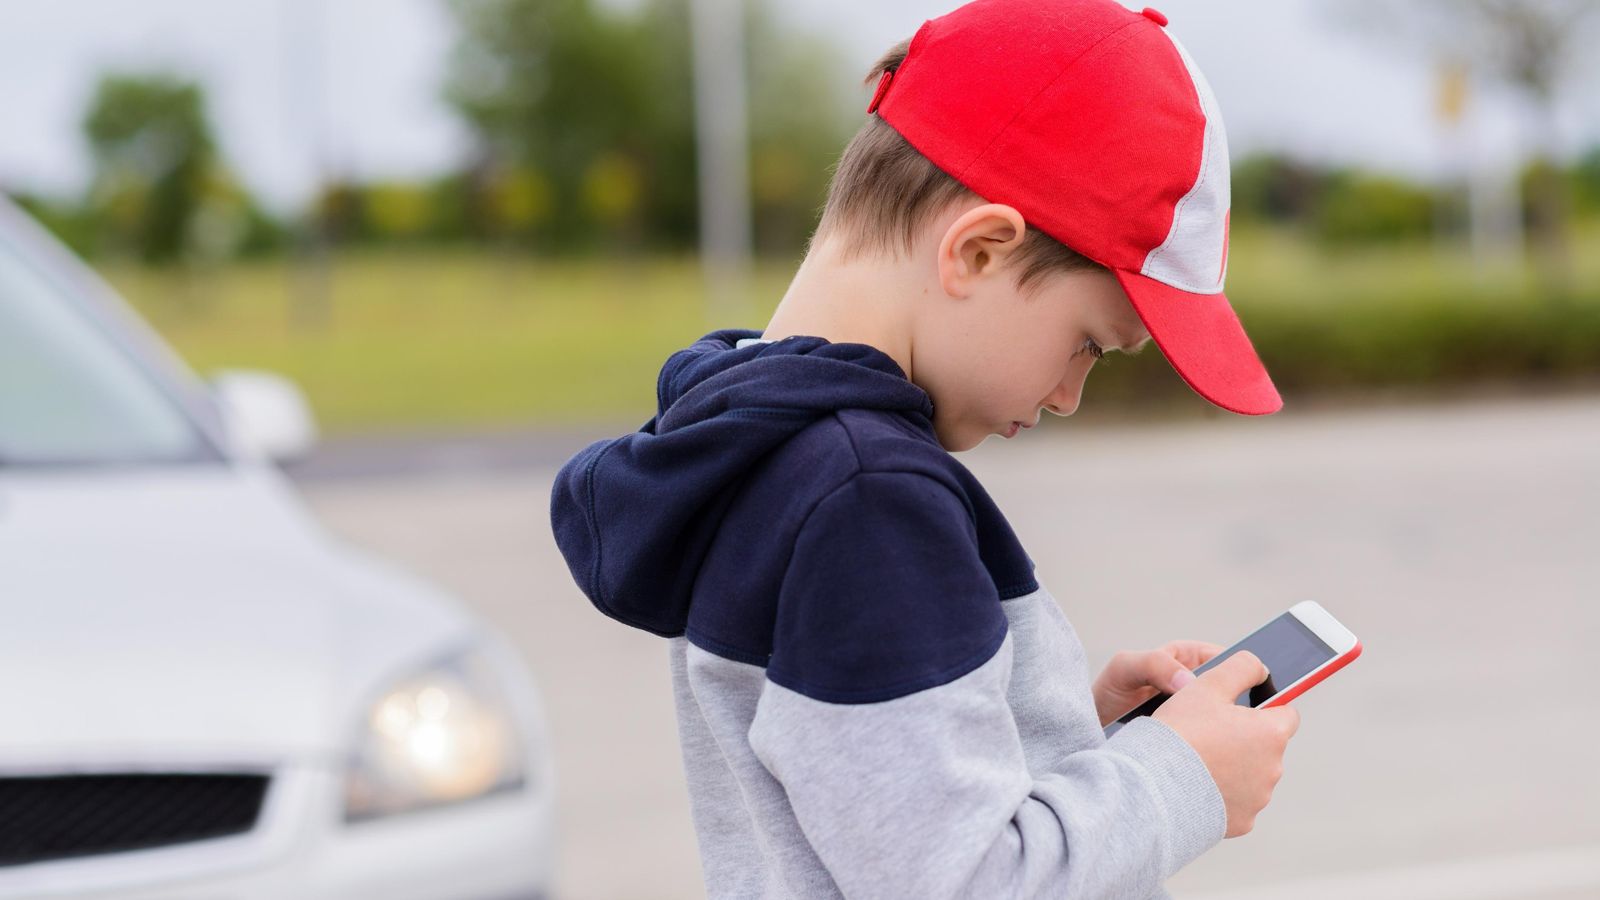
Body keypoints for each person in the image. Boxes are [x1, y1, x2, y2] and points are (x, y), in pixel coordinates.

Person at [549, 1, 1301, 896]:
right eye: (1088, 345)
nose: (1068, 395)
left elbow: (871, 814)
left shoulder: (756, 444)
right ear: (979, 251)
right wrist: (1181, 779)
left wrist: (1067, 733)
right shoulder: (868, 500)